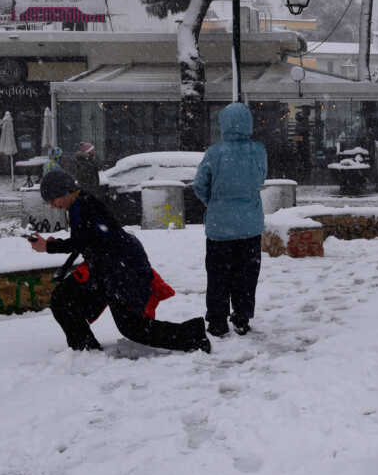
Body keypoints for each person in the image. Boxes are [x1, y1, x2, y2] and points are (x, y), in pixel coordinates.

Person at [29, 169, 211, 353]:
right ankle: (84, 348)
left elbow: (86, 239)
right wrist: (55, 245)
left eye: (53, 199)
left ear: (65, 190)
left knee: (132, 327)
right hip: (106, 267)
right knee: (63, 299)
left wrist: (49, 247)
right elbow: (88, 239)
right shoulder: (78, 205)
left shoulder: (85, 205)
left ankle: (192, 335)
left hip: (122, 269)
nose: (52, 205)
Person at [194, 102, 267, 337]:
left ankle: (217, 320)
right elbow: (259, 180)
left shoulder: (214, 153)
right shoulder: (258, 151)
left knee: (217, 275)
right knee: (246, 275)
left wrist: (214, 203)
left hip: (219, 228)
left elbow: (199, 185)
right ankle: (242, 316)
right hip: (249, 226)